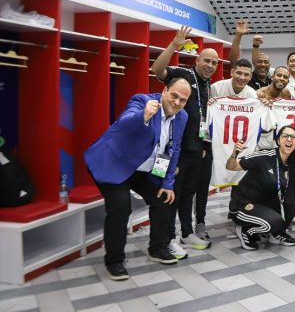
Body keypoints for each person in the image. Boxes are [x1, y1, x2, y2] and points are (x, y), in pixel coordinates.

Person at [84, 78, 191, 280]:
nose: (177, 103)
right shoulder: (143, 101)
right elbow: (124, 122)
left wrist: (167, 183)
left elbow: (173, 149)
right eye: (174, 96)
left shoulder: (182, 116)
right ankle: (114, 260)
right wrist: (143, 115)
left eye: (183, 100)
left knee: (164, 198)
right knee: (121, 207)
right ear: (165, 90)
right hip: (113, 162)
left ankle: (157, 248)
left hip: (142, 168)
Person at [150, 25, 218, 251]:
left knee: (188, 193)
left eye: (214, 63)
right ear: (197, 61)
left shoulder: (208, 85)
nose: (210, 66)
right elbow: (157, 70)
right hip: (173, 148)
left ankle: (186, 233)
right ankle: (166, 238)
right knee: (169, 194)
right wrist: (174, 45)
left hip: (196, 149)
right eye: (206, 61)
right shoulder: (184, 74)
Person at [226, 125, 295, 246]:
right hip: (244, 204)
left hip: (267, 203)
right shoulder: (264, 156)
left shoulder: (294, 163)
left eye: (293, 137)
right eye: (285, 136)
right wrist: (234, 154)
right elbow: (231, 166)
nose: (289, 139)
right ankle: (247, 230)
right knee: (274, 222)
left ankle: (276, 231)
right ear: (278, 140)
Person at [228, 20, 273, 90]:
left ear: (270, 65)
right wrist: (238, 35)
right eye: (260, 62)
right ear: (254, 64)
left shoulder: (272, 81)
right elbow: (234, 61)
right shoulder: (247, 79)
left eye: (266, 62)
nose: (263, 64)